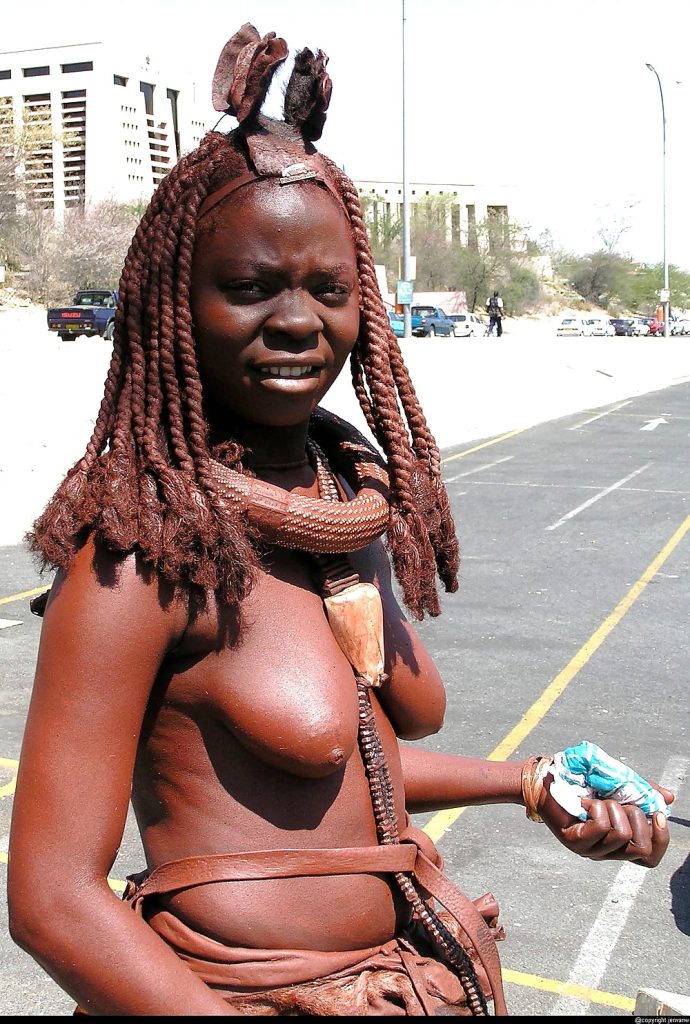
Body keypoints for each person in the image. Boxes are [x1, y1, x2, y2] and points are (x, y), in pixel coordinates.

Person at [7, 25, 673, 1017]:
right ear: (174, 304)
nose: (297, 321)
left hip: (408, 974)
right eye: (250, 287)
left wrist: (532, 782)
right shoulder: (145, 554)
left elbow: (350, 769)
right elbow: (53, 900)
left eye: (329, 289)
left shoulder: (339, 512)